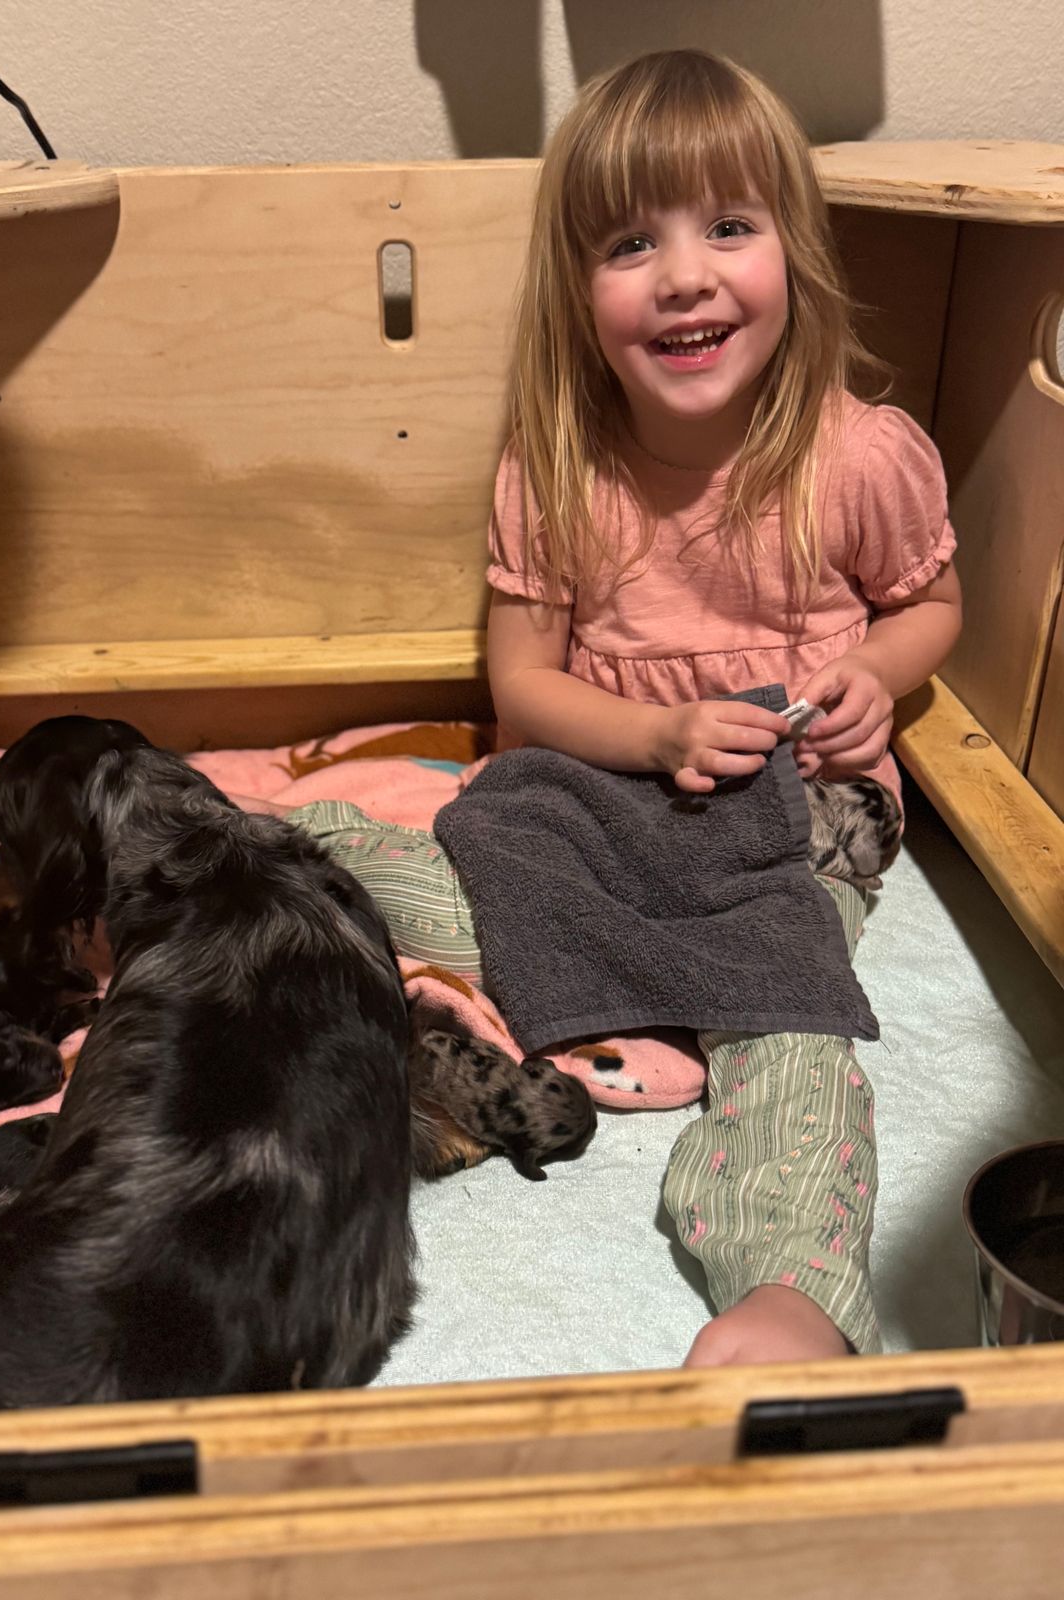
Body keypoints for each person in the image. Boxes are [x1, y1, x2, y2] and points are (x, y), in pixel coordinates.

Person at [241, 46, 961, 1367]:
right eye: (632, 243)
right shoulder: (558, 467)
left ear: (796, 254)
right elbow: (521, 688)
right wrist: (658, 735)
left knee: (789, 1019)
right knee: (366, 861)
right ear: (578, 292)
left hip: (797, 815)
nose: (685, 275)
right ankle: (216, 854)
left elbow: (933, 606)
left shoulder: (861, 454)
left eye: (730, 227)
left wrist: (878, 675)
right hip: (605, 795)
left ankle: (792, 1284)